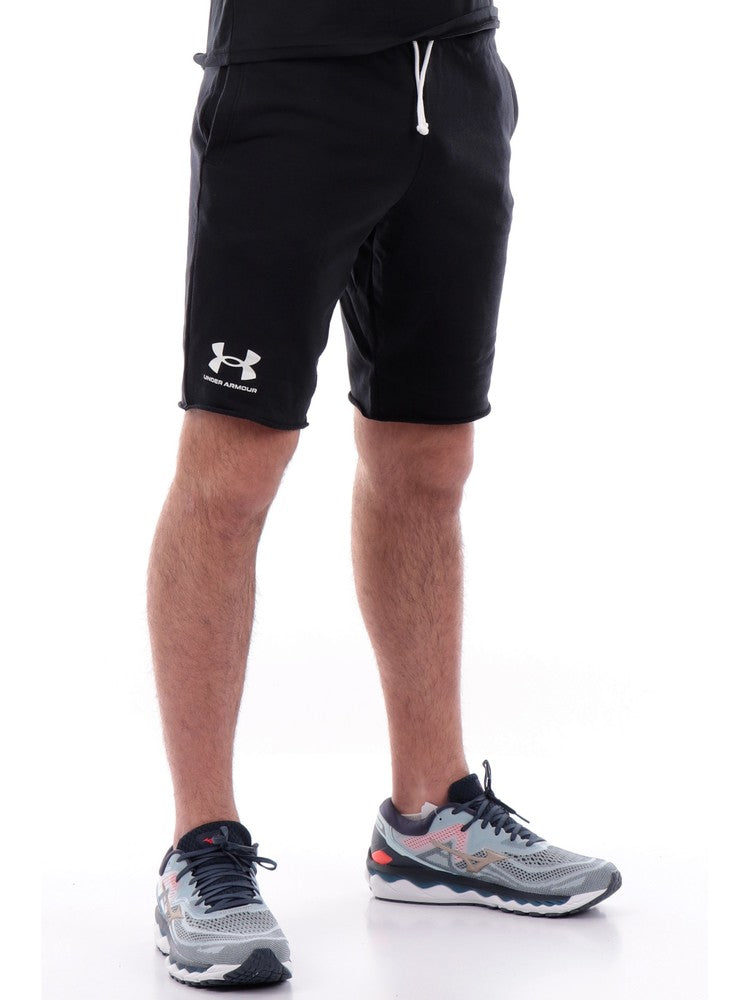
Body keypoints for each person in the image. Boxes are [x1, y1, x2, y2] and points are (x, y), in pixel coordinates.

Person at [148, 0, 621, 988]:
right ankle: (201, 845)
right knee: (234, 465)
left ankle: (430, 818)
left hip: (455, 74)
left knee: (430, 457)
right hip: (289, 78)